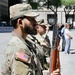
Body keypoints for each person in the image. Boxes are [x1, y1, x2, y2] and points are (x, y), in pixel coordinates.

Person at [1, 3, 39, 75]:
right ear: (20, 22)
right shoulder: (19, 48)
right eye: (31, 19)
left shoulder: (25, 43)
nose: (36, 22)